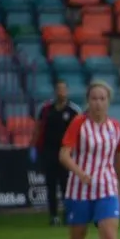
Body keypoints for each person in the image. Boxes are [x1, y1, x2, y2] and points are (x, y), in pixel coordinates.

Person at [58, 81, 120, 239]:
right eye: (94, 99)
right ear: (88, 101)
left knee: (109, 238)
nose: (98, 103)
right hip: (79, 190)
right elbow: (64, 155)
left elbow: (118, 157)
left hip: (107, 188)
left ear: (108, 102)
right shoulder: (79, 124)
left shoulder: (115, 127)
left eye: (102, 99)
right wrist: (79, 173)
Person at [30, 80, 83, 225]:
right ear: (55, 91)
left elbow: (80, 131)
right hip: (49, 152)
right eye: (59, 89)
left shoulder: (74, 110)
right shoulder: (46, 109)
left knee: (66, 185)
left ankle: (68, 213)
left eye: (64, 89)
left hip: (66, 153)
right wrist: (34, 146)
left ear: (67, 91)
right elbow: (39, 128)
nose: (61, 92)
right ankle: (53, 215)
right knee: (51, 185)